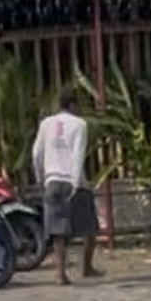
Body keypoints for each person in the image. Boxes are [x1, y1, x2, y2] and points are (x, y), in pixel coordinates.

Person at [32, 88, 101, 286]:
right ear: (73, 105)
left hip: (52, 179)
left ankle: (60, 274)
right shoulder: (80, 124)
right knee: (89, 227)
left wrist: (41, 177)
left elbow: (36, 152)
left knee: (57, 230)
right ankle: (87, 267)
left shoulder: (46, 124)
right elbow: (78, 153)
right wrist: (76, 182)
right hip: (73, 180)